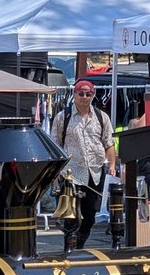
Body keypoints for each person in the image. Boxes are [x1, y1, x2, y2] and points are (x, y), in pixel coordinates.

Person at [50, 79, 116, 249]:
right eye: (81, 93)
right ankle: (69, 248)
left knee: (90, 215)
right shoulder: (62, 117)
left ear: (93, 95)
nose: (85, 97)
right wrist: (55, 170)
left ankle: (79, 245)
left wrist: (112, 165)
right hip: (70, 173)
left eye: (89, 94)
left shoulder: (102, 117)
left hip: (94, 172)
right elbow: (54, 144)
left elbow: (108, 143)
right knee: (70, 216)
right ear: (74, 94)